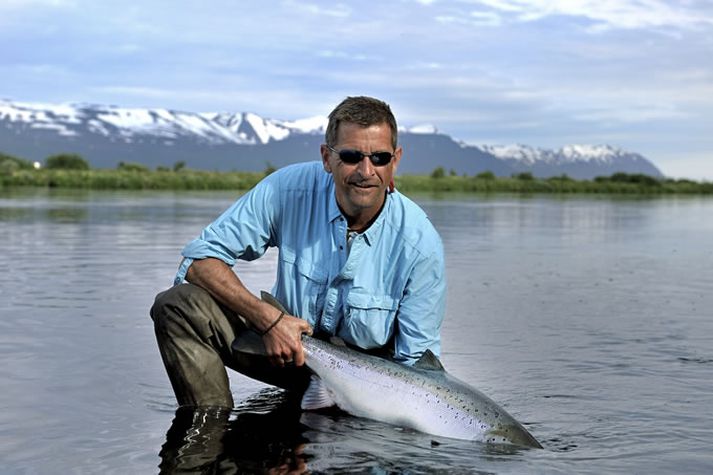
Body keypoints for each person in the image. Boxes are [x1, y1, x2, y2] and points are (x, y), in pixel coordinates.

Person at [150, 96, 446, 408]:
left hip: (365, 387)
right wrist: (268, 319)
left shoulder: (421, 244)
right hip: (281, 351)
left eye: (379, 158)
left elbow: (417, 366)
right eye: (350, 156)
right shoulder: (286, 190)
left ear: (394, 161)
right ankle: (208, 431)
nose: (366, 171)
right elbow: (199, 262)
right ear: (326, 158)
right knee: (177, 305)